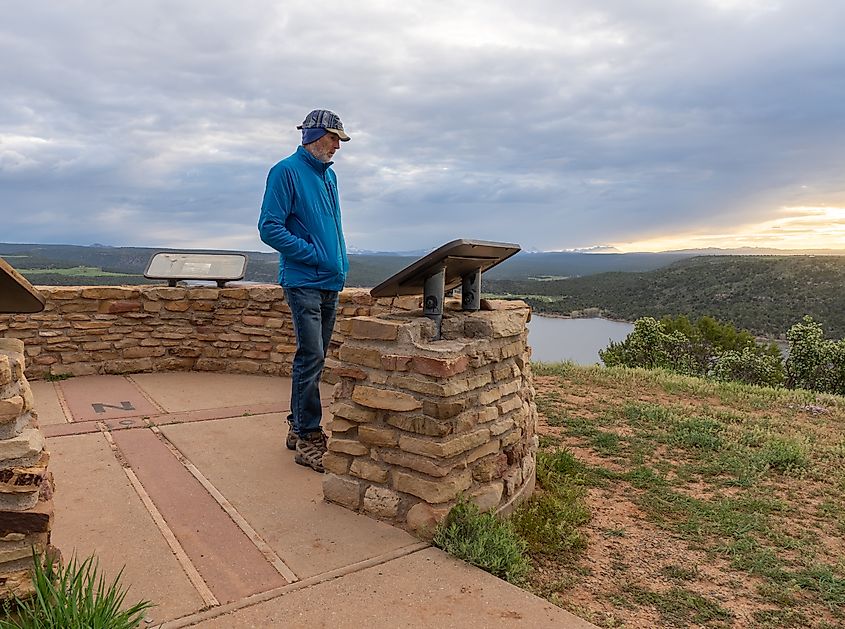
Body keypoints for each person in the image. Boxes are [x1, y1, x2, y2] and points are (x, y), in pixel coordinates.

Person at [258, 109, 350, 472]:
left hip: (329, 281)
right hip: (303, 281)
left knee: (315, 356)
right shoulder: (285, 171)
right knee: (310, 355)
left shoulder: (329, 177)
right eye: (333, 139)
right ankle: (309, 434)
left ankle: (298, 427)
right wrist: (313, 254)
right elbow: (269, 227)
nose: (337, 147)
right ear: (314, 135)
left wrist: (337, 262)